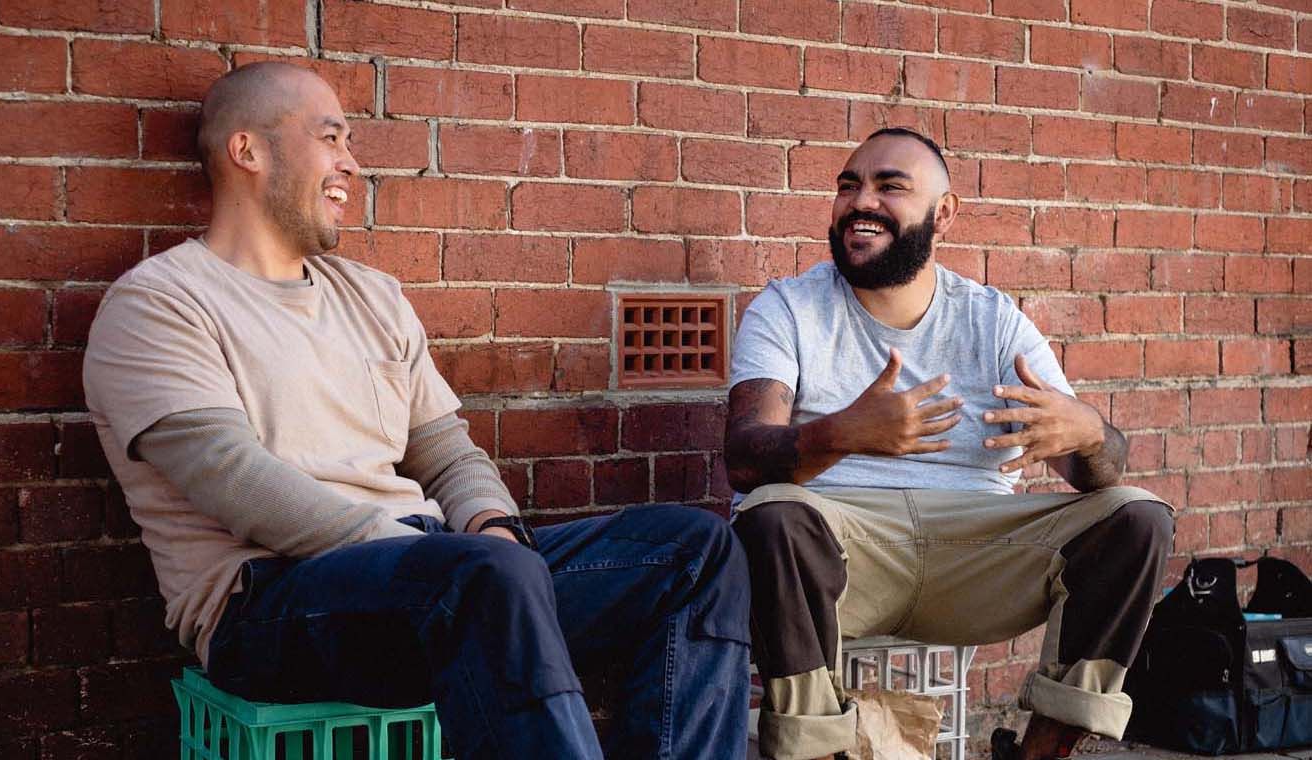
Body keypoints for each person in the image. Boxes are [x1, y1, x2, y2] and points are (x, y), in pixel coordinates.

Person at [81, 62, 750, 760]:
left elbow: (447, 452)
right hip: (269, 606)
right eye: (331, 137)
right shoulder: (159, 305)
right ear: (246, 151)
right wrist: (438, 551)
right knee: (486, 579)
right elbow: (235, 481)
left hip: (436, 575)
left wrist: (495, 530)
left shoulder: (372, 296)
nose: (351, 164)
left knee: (694, 552)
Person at [724, 128, 1174, 760]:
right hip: (846, 551)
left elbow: (1097, 469)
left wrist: (1089, 433)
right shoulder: (788, 309)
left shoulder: (993, 320)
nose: (861, 201)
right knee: (771, 516)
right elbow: (744, 457)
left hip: (980, 554)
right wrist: (842, 434)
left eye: (890, 186)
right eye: (849, 185)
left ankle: (1046, 748)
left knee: (1138, 515)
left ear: (945, 213)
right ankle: (818, 749)